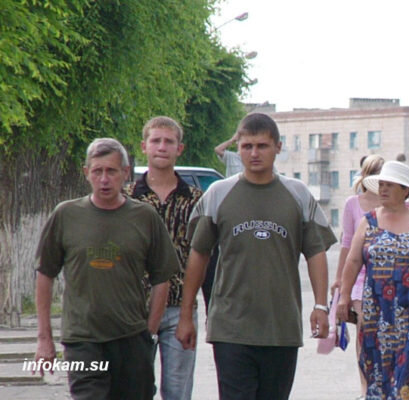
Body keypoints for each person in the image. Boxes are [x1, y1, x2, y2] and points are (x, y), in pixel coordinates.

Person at [176, 113, 337, 400]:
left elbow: (316, 252)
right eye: (247, 146)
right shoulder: (218, 193)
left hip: (281, 327)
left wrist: (321, 306)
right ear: (237, 148)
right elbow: (199, 254)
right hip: (230, 327)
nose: (254, 153)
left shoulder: (297, 194)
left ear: (278, 147)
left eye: (262, 146)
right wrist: (186, 314)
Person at [34, 138, 178, 400]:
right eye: (97, 171)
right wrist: (45, 338)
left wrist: (150, 330)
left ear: (125, 172)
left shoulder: (144, 217)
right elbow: (45, 273)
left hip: (131, 338)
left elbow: (162, 276)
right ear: (86, 172)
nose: (104, 179)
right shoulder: (66, 215)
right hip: (83, 340)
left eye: (111, 171)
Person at [336, 160, 409, 400]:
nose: (383, 189)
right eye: (382, 185)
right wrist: (344, 297)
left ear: (405, 191)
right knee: (375, 370)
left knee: (406, 373)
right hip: (376, 310)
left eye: (390, 185)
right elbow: (353, 261)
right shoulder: (369, 221)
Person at [125, 117, 203, 400]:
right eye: (155, 140)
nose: (162, 147)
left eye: (169, 141)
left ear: (179, 148)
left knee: (177, 392)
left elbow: (203, 256)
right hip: (133, 309)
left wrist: (190, 314)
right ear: (144, 146)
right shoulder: (126, 197)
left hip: (180, 307)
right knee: (134, 388)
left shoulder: (195, 199)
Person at [330, 154, 384, 399]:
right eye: (372, 174)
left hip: (386, 275)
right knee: (365, 327)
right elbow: (347, 243)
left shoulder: (393, 203)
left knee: (384, 331)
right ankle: (365, 385)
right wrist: (340, 279)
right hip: (360, 275)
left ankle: (382, 380)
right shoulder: (353, 203)